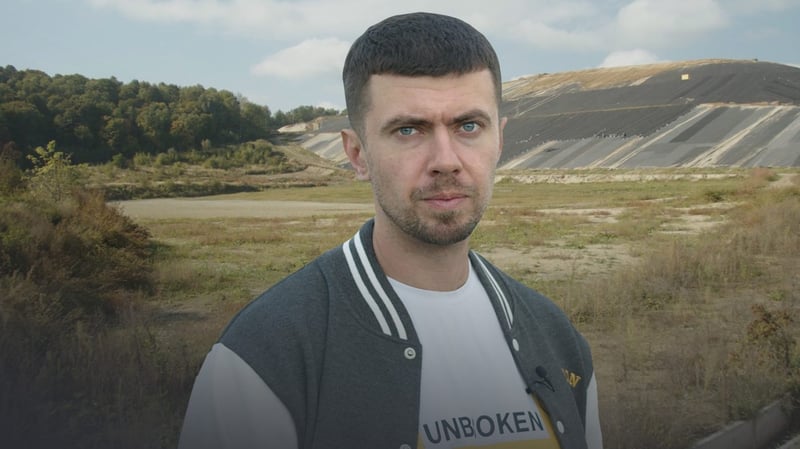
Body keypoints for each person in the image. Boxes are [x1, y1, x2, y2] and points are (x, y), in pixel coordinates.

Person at [178, 12, 602, 449]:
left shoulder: (556, 336)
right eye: (408, 129)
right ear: (357, 154)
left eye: (468, 126)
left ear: (500, 140)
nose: (446, 160)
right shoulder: (265, 355)